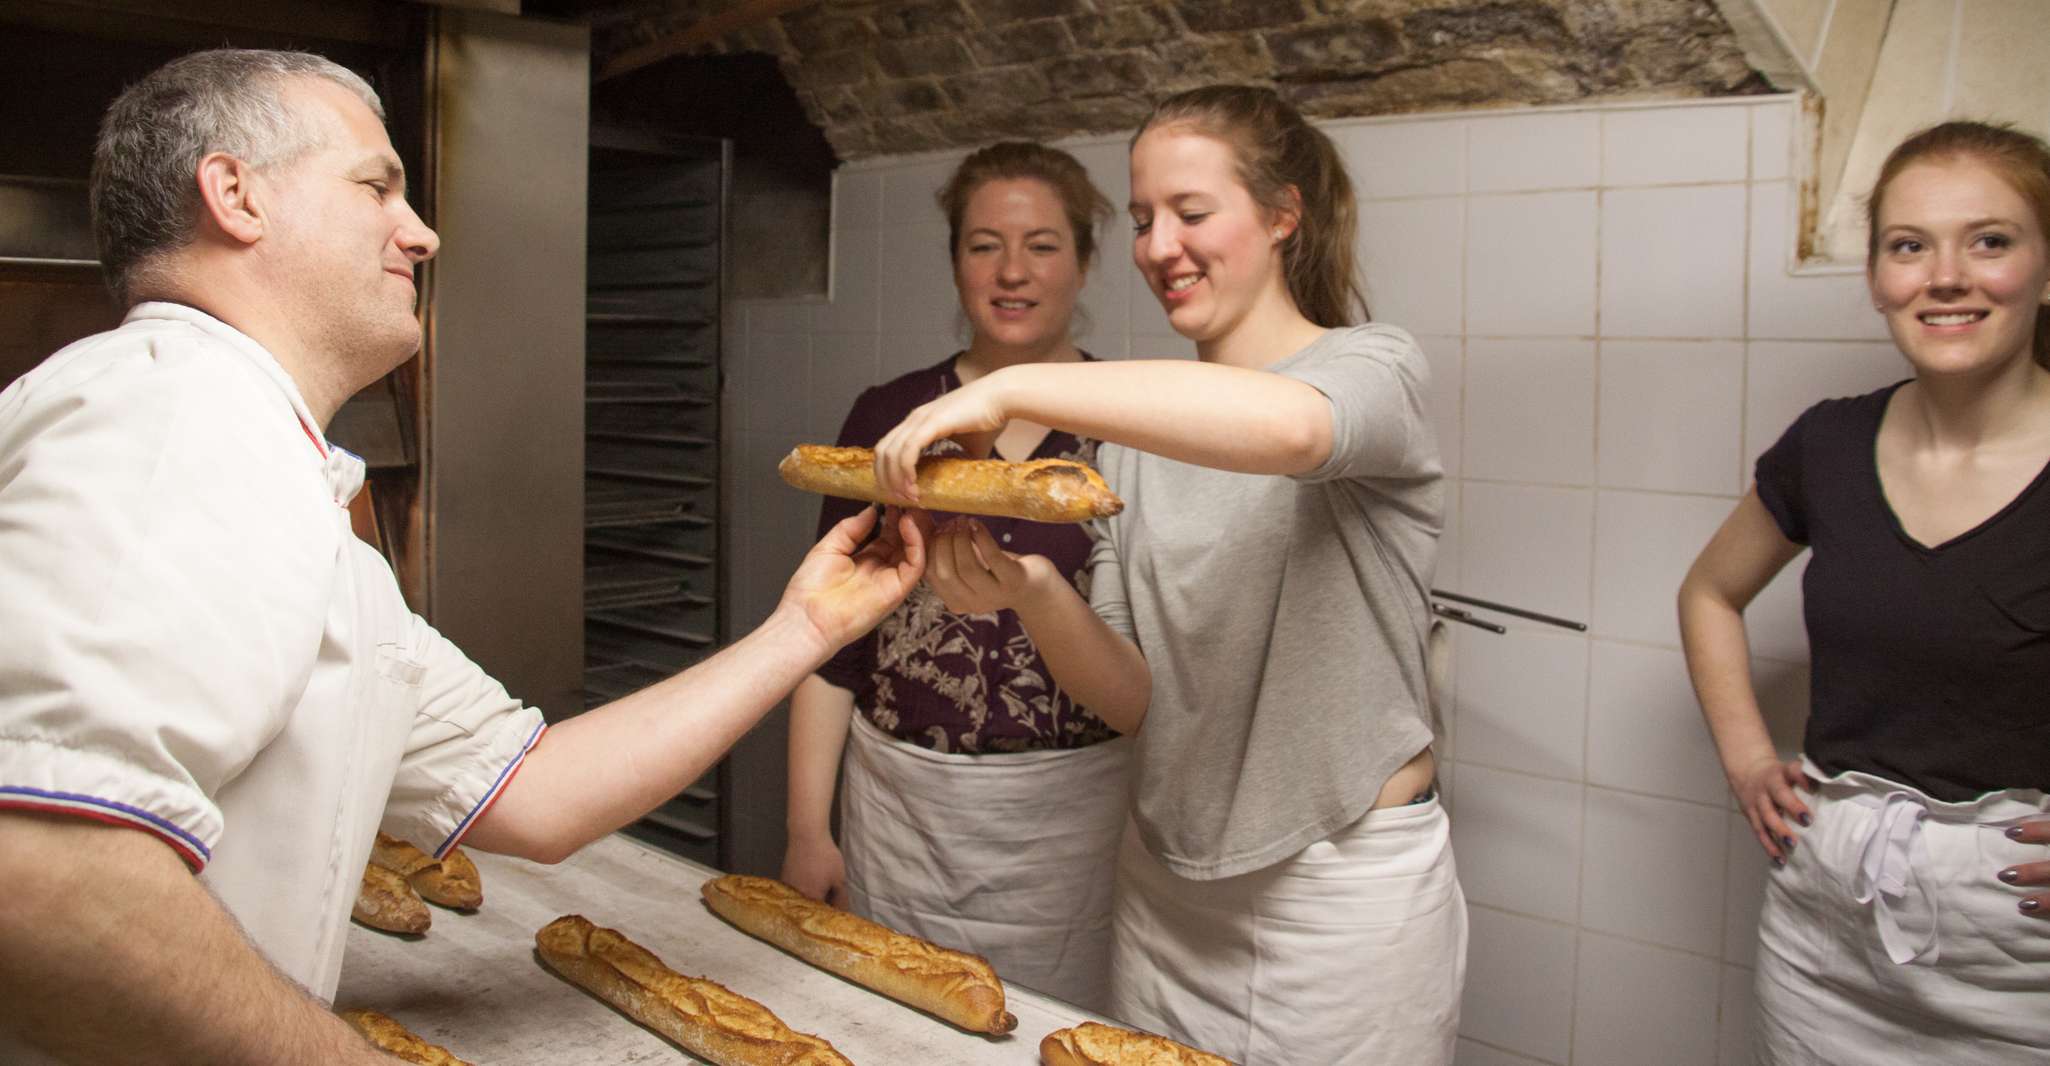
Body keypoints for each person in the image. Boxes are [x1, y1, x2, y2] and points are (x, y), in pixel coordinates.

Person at [0, 49, 925, 1065]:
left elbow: (535, 791)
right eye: (376, 185)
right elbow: (41, 870)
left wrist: (806, 628)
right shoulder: (178, 414)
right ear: (236, 196)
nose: (422, 231)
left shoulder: (289, 491)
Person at [870, 85, 1465, 1064]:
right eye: (1144, 219)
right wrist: (1027, 588)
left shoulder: (1372, 367)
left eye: (1191, 213)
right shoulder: (1135, 442)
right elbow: (1132, 696)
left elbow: (1291, 429)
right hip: (1166, 893)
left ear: (1282, 215)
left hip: (1337, 893)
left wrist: (1011, 380)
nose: (1157, 245)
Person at [1678, 120, 2050, 1064]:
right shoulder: (1829, 446)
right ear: (1879, 278)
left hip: (2026, 960)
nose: (1947, 276)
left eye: (1991, 240)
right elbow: (1710, 594)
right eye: (1909, 246)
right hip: (1826, 935)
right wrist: (1749, 759)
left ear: (2046, 268)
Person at [779, 141, 1130, 1010]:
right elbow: (833, 642)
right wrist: (804, 830)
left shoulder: (1135, 424)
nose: (1013, 272)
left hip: (1073, 822)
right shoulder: (889, 418)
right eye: (984, 245)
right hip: (902, 808)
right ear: (955, 262)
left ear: (1084, 263)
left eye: (1043, 245)